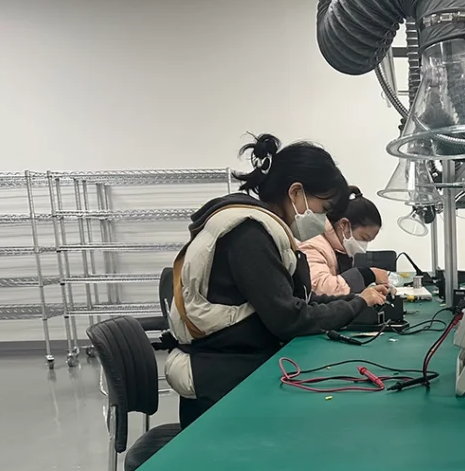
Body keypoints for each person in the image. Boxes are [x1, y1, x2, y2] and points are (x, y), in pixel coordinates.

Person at [165, 134, 389, 427]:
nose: (323, 221)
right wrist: (357, 303)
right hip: (221, 385)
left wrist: (356, 301)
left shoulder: (264, 230)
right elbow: (289, 318)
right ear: (296, 192)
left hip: (236, 366)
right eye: (323, 209)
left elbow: (299, 300)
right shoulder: (249, 234)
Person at [300, 187, 389, 296]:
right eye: (364, 238)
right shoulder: (312, 245)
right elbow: (318, 288)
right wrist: (368, 275)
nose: (364, 247)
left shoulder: (338, 249)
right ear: (344, 225)